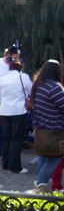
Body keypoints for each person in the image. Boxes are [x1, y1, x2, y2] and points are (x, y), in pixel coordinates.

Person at [29, 59, 64, 194]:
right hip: (55, 131)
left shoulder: (38, 86)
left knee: (43, 158)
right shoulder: (54, 88)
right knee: (55, 158)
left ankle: (41, 187)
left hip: (41, 130)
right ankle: (40, 185)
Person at [0, 59, 32, 174]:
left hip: (4, 112)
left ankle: (5, 164)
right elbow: (31, 91)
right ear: (20, 68)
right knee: (16, 139)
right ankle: (15, 166)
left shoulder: (2, 79)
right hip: (19, 111)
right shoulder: (23, 77)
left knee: (6, 139)